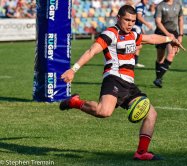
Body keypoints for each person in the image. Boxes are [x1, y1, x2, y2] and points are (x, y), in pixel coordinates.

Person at [59, 5, 180, 161]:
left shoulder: (134, 34)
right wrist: (73, 69)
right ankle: (74, 102)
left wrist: (171, 39)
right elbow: (92, 51)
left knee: (151, 114)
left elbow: (150, 38)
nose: (130, 24)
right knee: (104, 112)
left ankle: (141, 153)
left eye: (133, 21)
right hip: (114, 78)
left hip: (129, 84)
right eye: (127, 20)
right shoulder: (111, 34)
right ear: (119, 18)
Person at [153, 0, 184, 88]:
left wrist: (181, 35)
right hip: (161, 32)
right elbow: (158, 22)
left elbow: (180, 19)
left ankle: (158, 78)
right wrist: (167, 34)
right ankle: (158, 78)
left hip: (174, 32)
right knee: (160, 58)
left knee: (171, 54)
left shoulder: (178, 4)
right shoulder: (160, 6)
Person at [133, 0, 153, 68]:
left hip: (138, 27)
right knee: (138, 45)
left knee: (139, 45)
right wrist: (147, 24)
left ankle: (135, 62)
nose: (147, 1)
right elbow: (139, 17)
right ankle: (126, 58)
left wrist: (142, 29)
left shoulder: (142, 6)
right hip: (135, 27)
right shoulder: (140, 6)